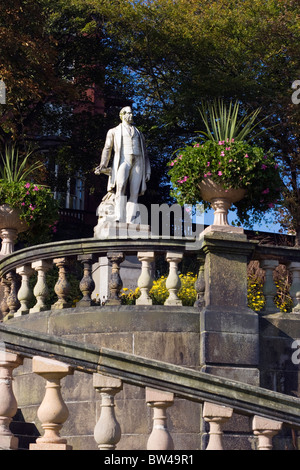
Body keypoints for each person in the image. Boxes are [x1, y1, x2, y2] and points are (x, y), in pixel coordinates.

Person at [95, 106, 151, 223]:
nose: (132, 115)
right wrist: (103, 165)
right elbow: (107, 148)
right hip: (123, 160)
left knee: (134, 192)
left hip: (138, 162)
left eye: (132, 113)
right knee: (120, 187)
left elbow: (145, 154)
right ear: (122, 115)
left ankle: (131, 219)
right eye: (129, 113)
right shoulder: (114, 131)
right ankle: (119, 216)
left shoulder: (139, 133)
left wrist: (148, 171)